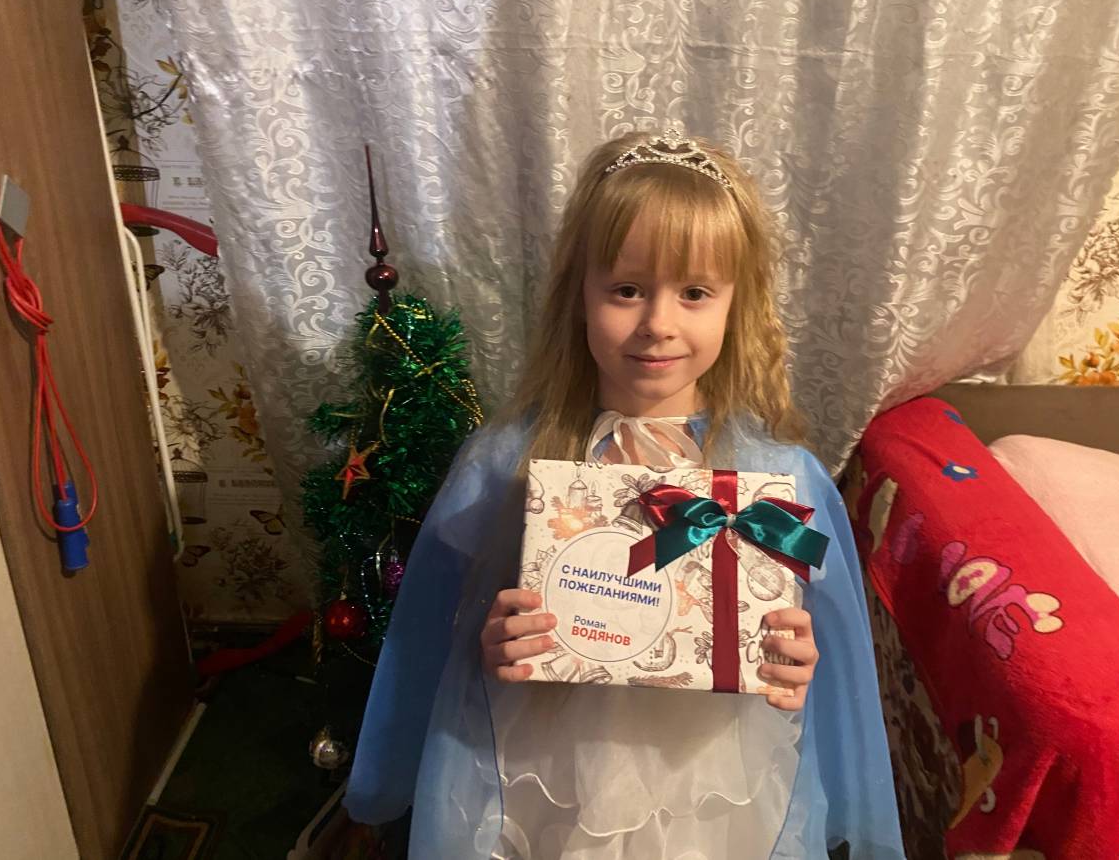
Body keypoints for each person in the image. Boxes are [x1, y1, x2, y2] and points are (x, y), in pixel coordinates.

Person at [343, 127, 903, 859]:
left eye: (695, 293)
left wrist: (795, 660)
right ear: (579, 294)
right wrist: (493, 639)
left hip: (715, 776)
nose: (658, 324)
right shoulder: (506, 463)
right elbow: (429, 628)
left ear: (737, 304)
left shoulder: (780, 480)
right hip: (541, 769)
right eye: (627, 289)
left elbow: (834, 653)